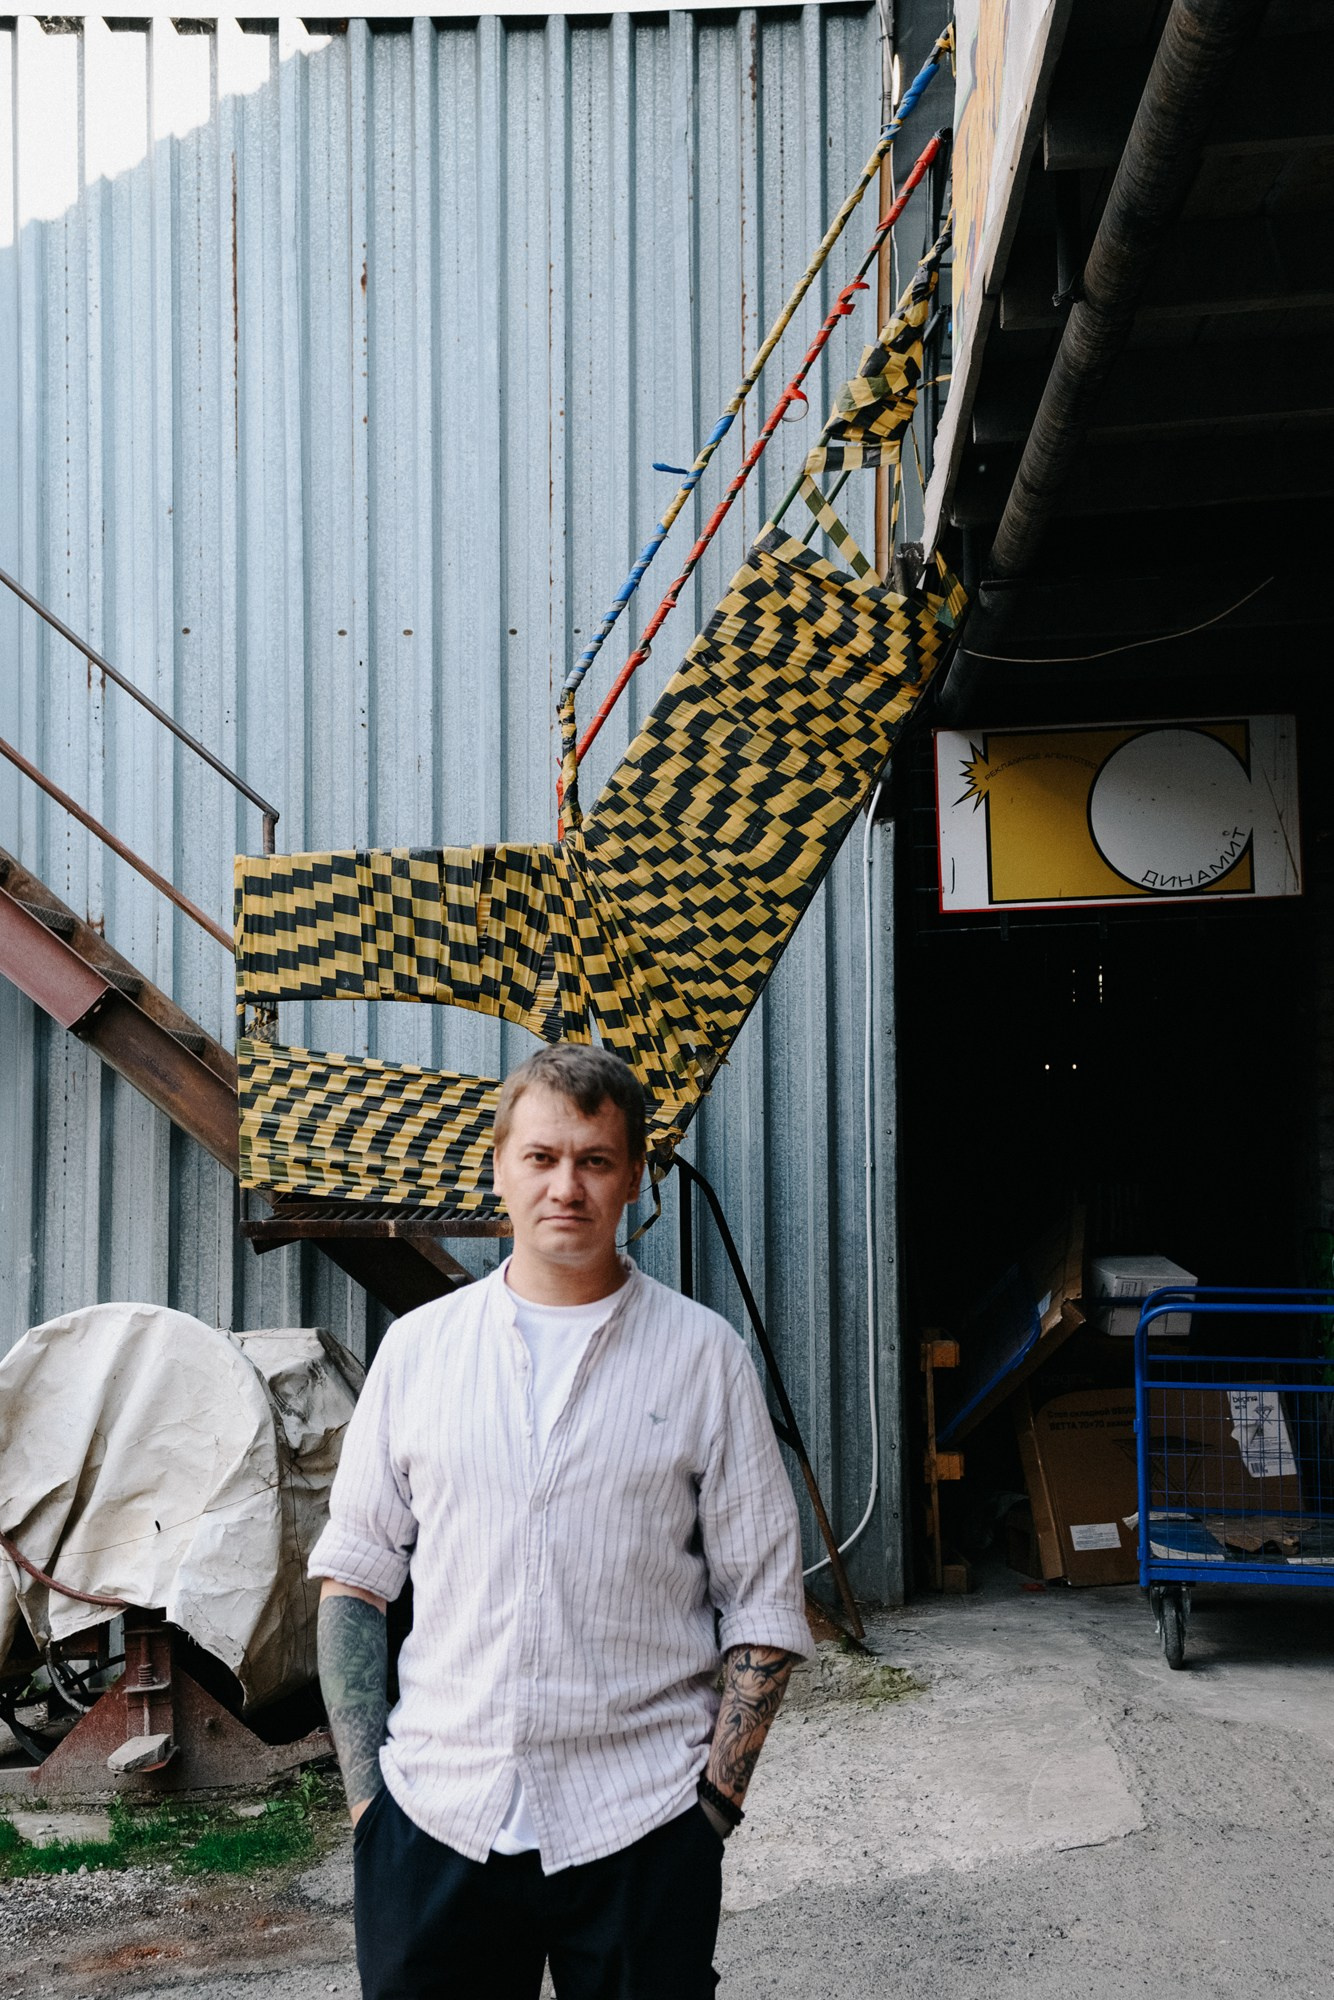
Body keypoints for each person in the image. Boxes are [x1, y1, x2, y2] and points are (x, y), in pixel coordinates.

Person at [311, 1039, 811, 2000]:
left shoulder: (704, 1358)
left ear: (633, 1177)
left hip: (641, 1824)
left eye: (594, 1160)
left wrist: (712, 1811)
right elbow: (355, 1579)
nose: (565, 1187)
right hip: (436, 1817)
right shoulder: (418, 1352)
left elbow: (762, 1603)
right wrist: (369, 1806)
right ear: (500, 1168)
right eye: (540, 1157)